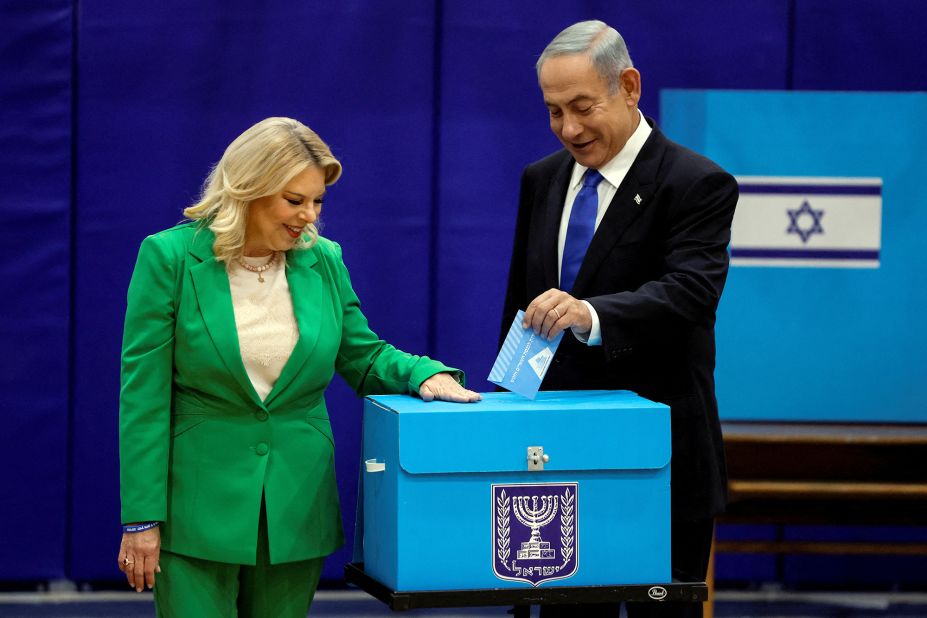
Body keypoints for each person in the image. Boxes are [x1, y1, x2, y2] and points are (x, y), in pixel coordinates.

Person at [116, 117, 480, 616]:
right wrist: (141, 519)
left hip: (294, 509)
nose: (309, 215)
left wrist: (423, 375)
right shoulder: (169, 258)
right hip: (193, 511)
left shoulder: (324, 260)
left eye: (318, 202)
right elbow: (144, 398)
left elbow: (362, 355)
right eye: (295, 200)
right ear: (249, 189)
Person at [500, 20, 737, 618]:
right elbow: (522, 309)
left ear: (629, 86)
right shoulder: (542, 179)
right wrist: (504, 416)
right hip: (557, 459)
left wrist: (591, 313)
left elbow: (690, 294)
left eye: (582, 107)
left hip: (660, 461)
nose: (569, 129)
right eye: (554, 111)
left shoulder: (695, 183)